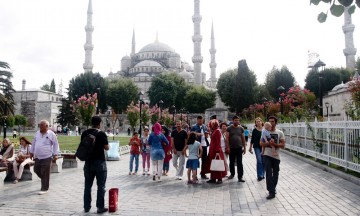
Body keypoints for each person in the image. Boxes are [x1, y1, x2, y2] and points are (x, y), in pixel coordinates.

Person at [81, 116, 109, 213]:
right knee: (101, 185)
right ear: (99, 123)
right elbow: (107, 147)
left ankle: (86, 206)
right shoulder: (101, 134)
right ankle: (100, 207)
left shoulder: (85, 133)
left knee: (87, 185)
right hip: (99, 162)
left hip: (88, 162)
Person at [29, 120, 59, 195]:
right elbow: (33, 143)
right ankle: (45, 179)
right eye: (39, 125)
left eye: (42, 125)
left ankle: (45, 188)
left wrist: (55, 154)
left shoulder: (51, 134)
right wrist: (31, 152)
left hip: (47, 156)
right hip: (37, 157)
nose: (40, 126)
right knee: (36, 169)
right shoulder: (37, 133)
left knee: (45, 172)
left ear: (46, 126)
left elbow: (55, 144)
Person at [260, 116, 285, 200]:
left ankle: (272, 188)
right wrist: (268, 144)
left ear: (276, 122)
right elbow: (261, 143)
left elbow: (283, 145)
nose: (271, 123)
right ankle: (271, 192)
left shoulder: (280, 132)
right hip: (267, 155)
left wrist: (275, 145)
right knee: (268, 173)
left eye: (273, 121)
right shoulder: (264, 132)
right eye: (269, 121)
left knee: (276, 173)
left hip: (276, 156)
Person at [203, 119, 227, 184]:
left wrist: (217, 151)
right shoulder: (215, 131)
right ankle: (213, 178)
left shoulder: (217, 131)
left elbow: (218, 142)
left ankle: (219, 178)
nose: (210, 126)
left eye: (211, 124)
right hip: (213, 150)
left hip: (216, 150)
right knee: (213, 164)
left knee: (217, 164)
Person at [226, 115, 247, 182]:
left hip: (239, 148)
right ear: (233, 121)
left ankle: (240, 177)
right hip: (231, 148)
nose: (237, 121)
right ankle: (232, 174)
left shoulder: (241, 128)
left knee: (239, 162)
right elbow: (227, 138)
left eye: (238, 120)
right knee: (231, 162)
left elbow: (243, 138)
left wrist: (245, 147)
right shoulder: (229, 128)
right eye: (235, 120)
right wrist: (228, 147)